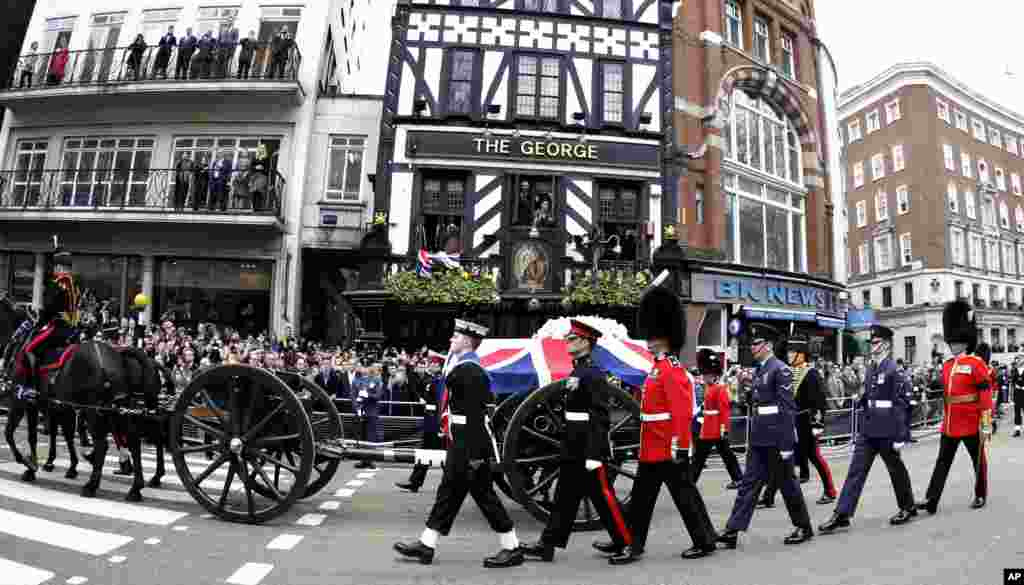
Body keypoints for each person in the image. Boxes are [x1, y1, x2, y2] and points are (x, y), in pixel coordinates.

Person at [595, 288, 717, 565]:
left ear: (666, 338)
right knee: (641, 499)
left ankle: (704, 540)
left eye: (654, 336)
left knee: (684, 497)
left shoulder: (672, 371)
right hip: (652, 445)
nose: (649, 341)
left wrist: (680, 447)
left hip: (668, 447)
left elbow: (682, 412)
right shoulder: (657, 369)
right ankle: (628, 542)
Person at [393, 319, 523, 568]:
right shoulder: (463, 367)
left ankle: (512, 547)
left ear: (467, 341)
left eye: (455, 336)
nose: (451, 339)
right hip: (461, 442)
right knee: (448, 495)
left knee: (485, 497)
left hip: (470, 445)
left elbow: (475, 416)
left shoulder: (471, 371)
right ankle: (427, 544)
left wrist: (473, 453)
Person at [521, 320, 633, 563]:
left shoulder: (592, 373)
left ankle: (627, 543)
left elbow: (600, 417)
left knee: (604, 497)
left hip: (588, 448)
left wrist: (593, 454)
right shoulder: (579, 369)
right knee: (564, 497)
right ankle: (547, 544)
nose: (567, 342)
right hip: (574, 445)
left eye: (572, 339)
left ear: (585, 343)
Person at [715, 323, 813, 549]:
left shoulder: (781, 369)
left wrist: (787, 443)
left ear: (768, 345)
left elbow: (788, 409)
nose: (752, 347)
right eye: (752, 343)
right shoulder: (761, 369)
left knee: (788, 484)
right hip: (759, 437)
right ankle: (733, 529)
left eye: (756, 343)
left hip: (776, 439)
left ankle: (803, 526)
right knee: (748, 484)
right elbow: (757, 403)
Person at [818, 325, 917, 534]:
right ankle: (842, 513)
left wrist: (900, 435)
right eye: (871, 342)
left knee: (895, 469)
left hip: (887, 429)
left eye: (875, 342)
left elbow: (900, 405)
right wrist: (861, 399)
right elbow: (870, 394)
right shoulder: (872, 367)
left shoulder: (893, 370)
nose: (872, 346)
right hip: (869, 427)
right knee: (855, 471)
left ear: (886, 345)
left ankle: (907, 506)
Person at [917, 299, 992, 513]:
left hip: (970, 422)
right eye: (951, 341)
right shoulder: (948, 365)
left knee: (978, 461)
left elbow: (985, 397)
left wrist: (986, 424)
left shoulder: (976, 364)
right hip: (950, 424)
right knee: (942, 462)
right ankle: (932, 499)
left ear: (965, 341)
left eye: (955, 340)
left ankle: (980, 493)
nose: (952, 344)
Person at [760, 335, 837, 506]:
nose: (789, 355)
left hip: (806, 422)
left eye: (793, 352)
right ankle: (768, 496)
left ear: (801, 354)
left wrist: (817, 424)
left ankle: (830, 491)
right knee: (781, 459)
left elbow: (819, 401)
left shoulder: (811, 374)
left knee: (815, 457)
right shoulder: (787, 372)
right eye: (788, 352)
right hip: (790, 422)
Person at [691, 350, 743, 488]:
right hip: (708, 426)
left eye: (706, 374)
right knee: (724, 455)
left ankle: (690, 481)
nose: (704, 377)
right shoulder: (711, 387)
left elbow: (724, 411)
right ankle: (738, 478)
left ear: (713, 374)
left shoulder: (719, 389)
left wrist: (723, 429)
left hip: (715, 429)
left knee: (701, 457)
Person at [396, 353, 445, 492]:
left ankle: (454, 483)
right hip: (430, 422)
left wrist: (440, 425)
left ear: (440, 366)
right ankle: (415, 481)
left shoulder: (440, 381)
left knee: (443, 457)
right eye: (431, 363)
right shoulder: (432, 380)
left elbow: (440, 404)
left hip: (436, 424)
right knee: (426, 453)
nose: (431, 365)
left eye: (435, 364)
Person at [1012, 355, 1024, 437]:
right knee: (1017, 412)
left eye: (1019, 359)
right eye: (1017, 360)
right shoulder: (1014, 370)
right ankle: (1017, 430)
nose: (1017, 361)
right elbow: (1012, 381)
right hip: (1017, 393)